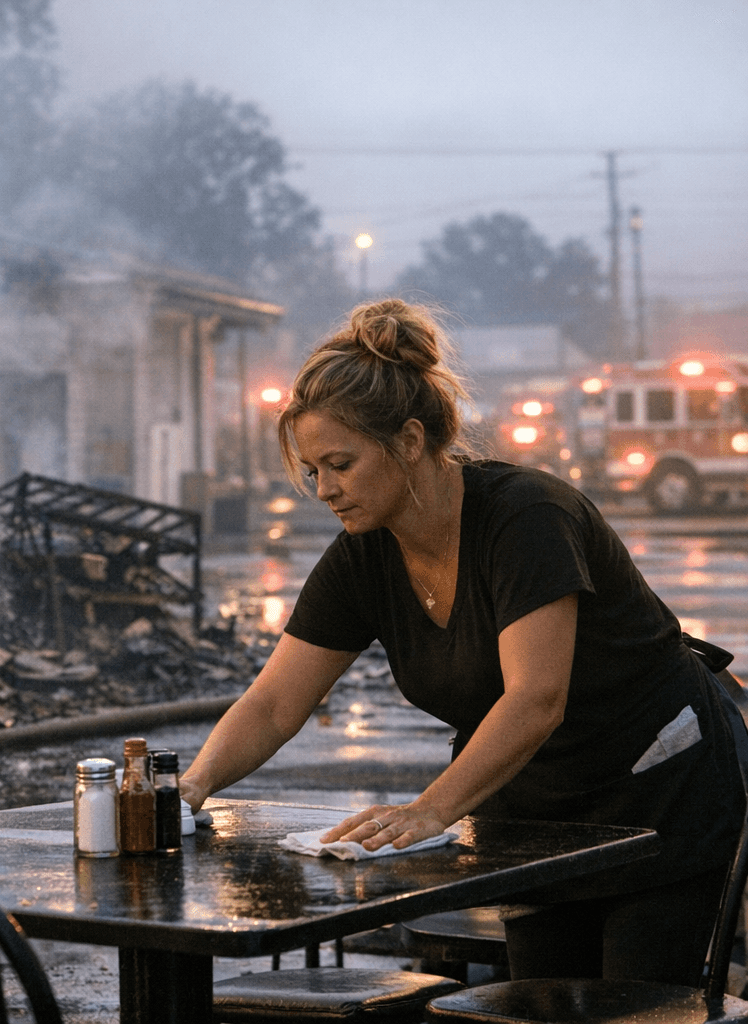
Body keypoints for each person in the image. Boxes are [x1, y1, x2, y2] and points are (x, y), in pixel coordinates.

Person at [179, 298, 746, 984]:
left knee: (636, 1004)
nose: (323, 489)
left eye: (340, 464)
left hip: (660, 795)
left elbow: (536, 700)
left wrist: (430, 811)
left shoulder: (527, 517)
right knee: (538, 1001)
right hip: (531, 817)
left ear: (410, 442)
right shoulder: (365, 552)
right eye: (312, 471)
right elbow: (275, 703)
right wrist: (191, 788)